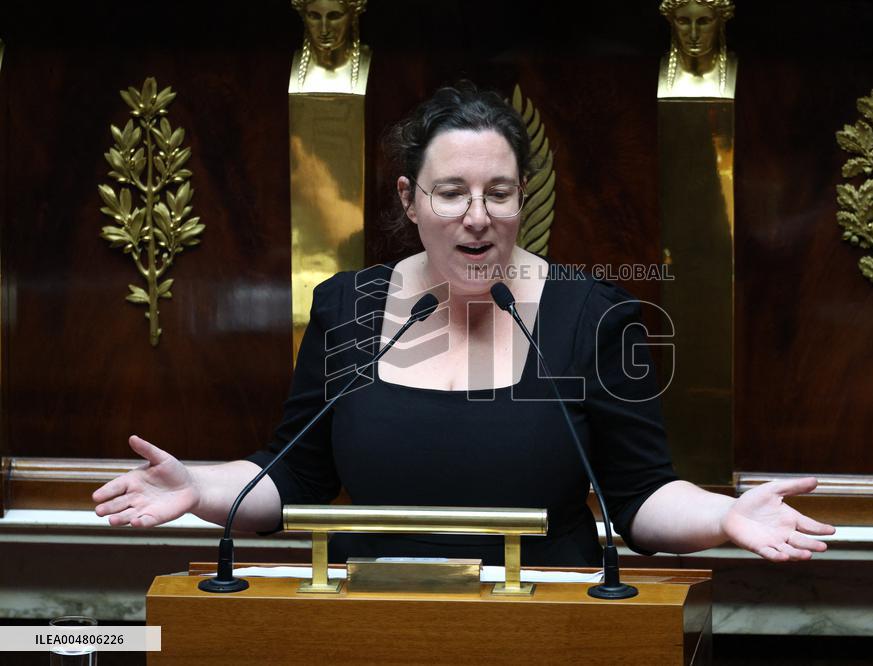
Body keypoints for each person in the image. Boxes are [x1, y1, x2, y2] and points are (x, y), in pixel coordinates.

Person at [93, 82, 834, 566]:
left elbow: (640, 499)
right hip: (364, 627)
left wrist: (726, 515)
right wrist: (198, 485)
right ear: (410, 200)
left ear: (521, 201)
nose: (477, 218)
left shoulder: (593, 315)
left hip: (552, 622)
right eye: (451, 193)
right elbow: (292, 477)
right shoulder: (347, 306)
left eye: (498, 193)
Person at [657, 0, 737, 99]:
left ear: (721, 21)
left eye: (704, 22)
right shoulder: (650, 70)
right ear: (672, 22)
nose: (693, 35)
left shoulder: (748, 74)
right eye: (683, 22)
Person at [289, 0, 371, 94]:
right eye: (314, 16)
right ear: (304, 16)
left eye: (334, 16)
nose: (324, 30)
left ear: (353, 15)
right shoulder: (291, 66)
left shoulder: (367, 64)